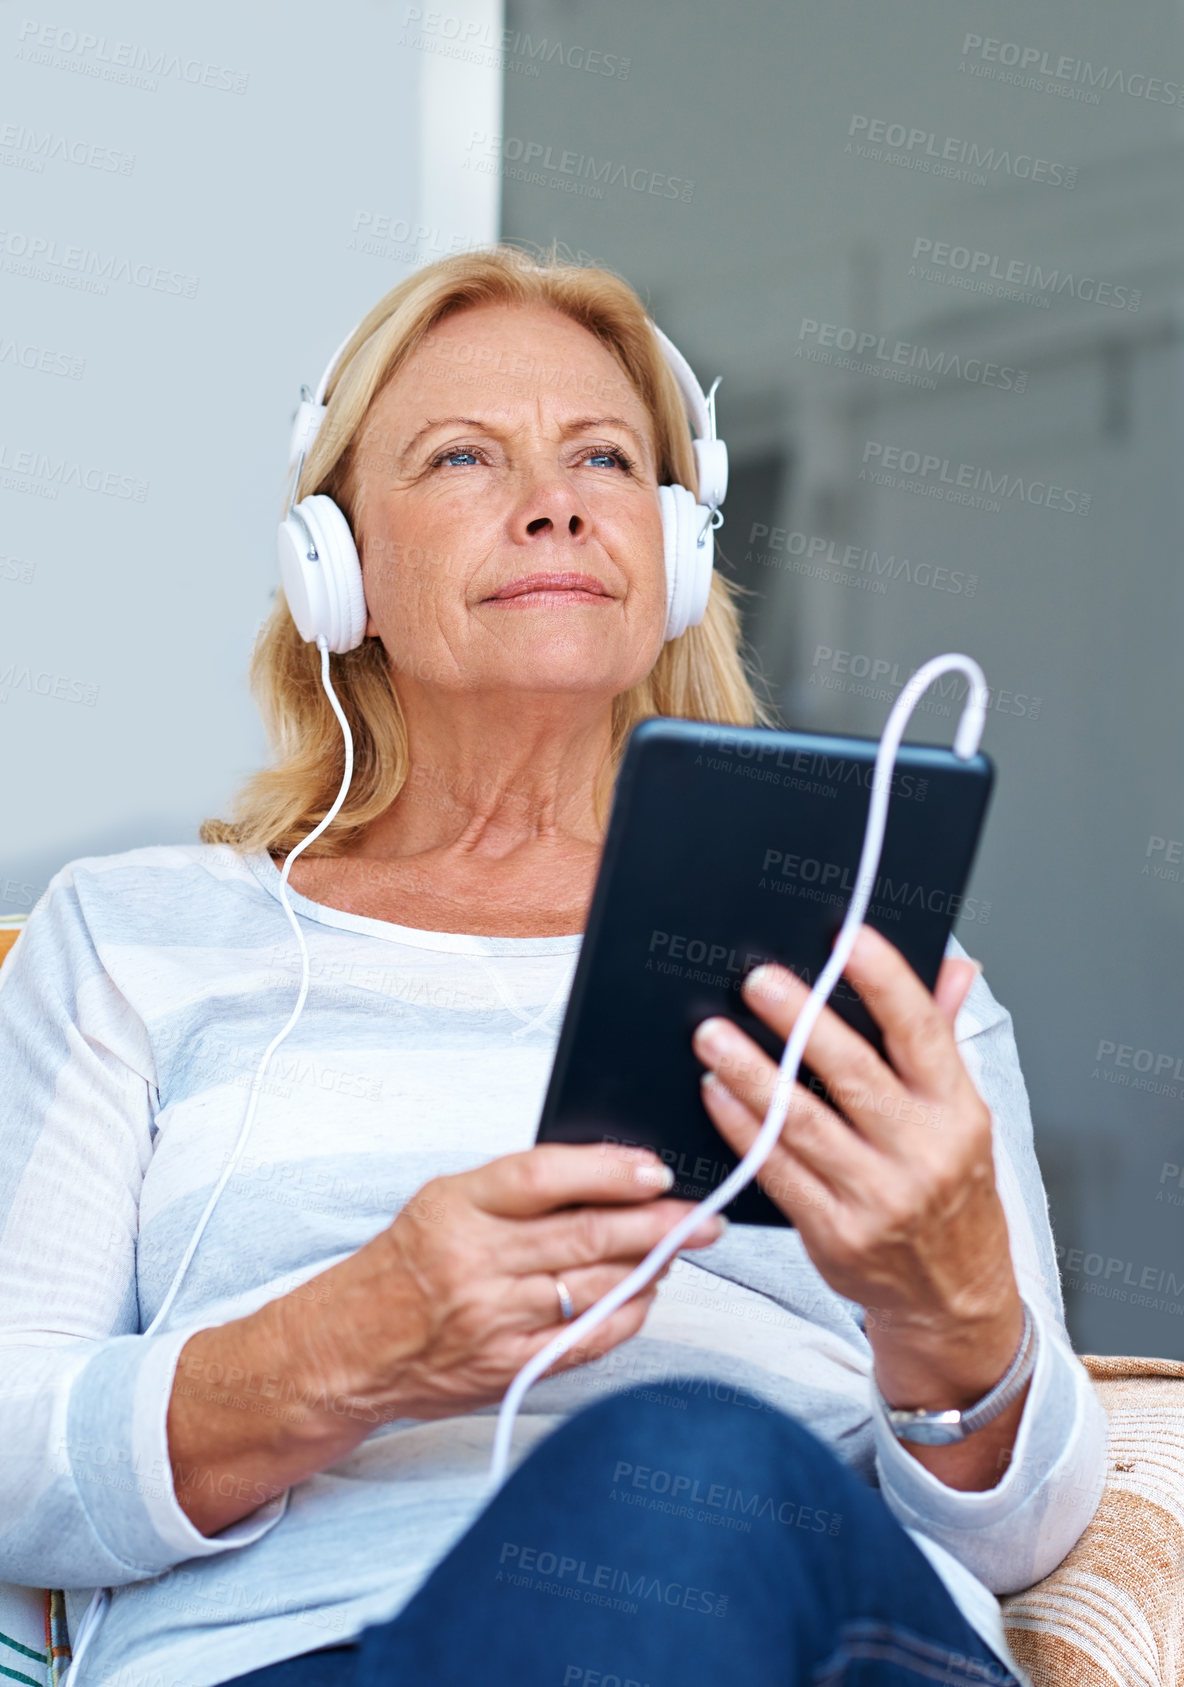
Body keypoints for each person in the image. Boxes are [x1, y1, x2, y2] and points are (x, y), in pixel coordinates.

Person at [0, 247, 1106, 1687]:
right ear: (334, 570)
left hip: (807, 1630)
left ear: (676, 555)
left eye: (603, 456)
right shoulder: (136, 939)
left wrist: (953, 1315)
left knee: (678, 1468)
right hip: (290, 1659)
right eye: (464, 457)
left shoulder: (870, 956)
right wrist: (360, 1337)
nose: (556, 499)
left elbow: (1025, 1540)